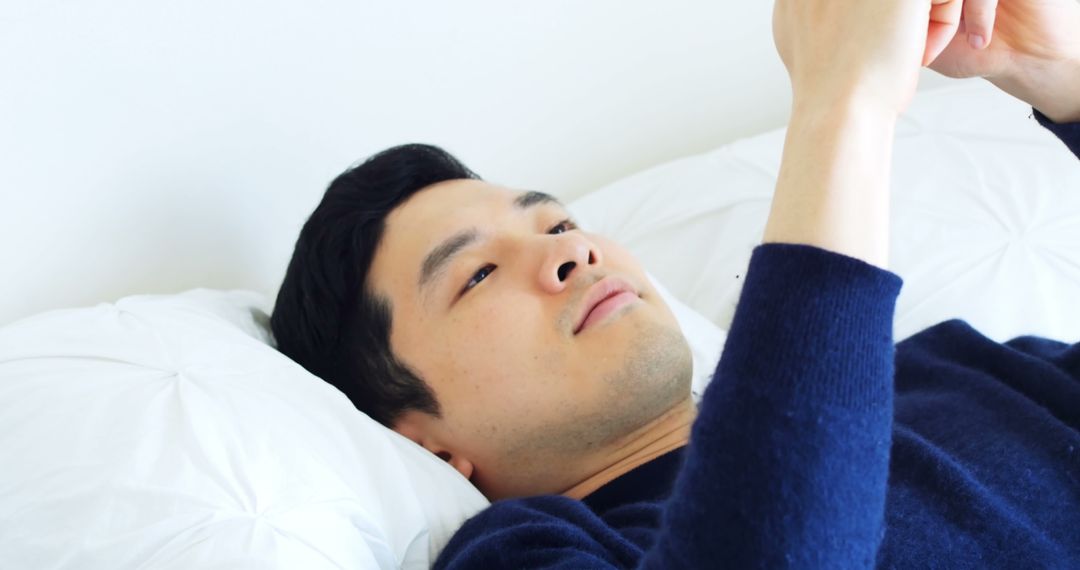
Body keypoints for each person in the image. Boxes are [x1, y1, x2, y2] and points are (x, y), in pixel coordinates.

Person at [270, 0, 1080, 566]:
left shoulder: (957, 373)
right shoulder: (527, 556)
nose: (568, 254)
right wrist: (840, 108)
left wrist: (1066, 78)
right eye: (477, 274)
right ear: (428, 445)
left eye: (556, 224)